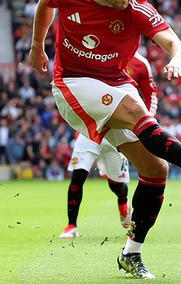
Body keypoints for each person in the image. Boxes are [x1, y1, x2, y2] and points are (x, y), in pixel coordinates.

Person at [28, 0, 181, 279]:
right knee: (135, 109)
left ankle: (131, 254)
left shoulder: (137, 8)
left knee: (156, 169)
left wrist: (177, 61)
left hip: (115, 82)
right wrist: (37, 46)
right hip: (72, 83)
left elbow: (176, 45)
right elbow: (45, 1)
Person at [59, 52, 158, 239]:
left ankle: (123, 203)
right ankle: (71, 225)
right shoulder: (98, 53)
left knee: (118, 185)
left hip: (118, 130)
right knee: (78, 175)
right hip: (92, 129)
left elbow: (151, 95)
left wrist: (145, 121)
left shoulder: (141, 63)